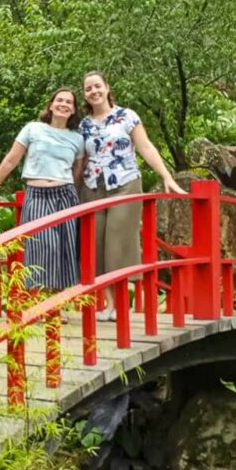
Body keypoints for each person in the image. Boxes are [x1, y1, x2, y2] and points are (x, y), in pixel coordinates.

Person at [78, 71, 186, 320]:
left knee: (116, 241)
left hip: (124, 183)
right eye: (88, 89)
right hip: (92, 186)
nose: (93, 91)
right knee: (96, 244)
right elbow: (80, 160)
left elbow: (146, 147)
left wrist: (167, 177)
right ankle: (107, 303)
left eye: (97, 86)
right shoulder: (83, 125)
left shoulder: (126, 116)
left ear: (107, 87)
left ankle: (120, 305)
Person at [0, 88, 85, 292]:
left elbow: (77, 172)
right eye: (59, 100)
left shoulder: (77, 139)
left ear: (73, 110)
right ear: (51, 105)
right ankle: (39, 300)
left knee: (65, 249)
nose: (63, 104)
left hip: (65, 195)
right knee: (41, 245)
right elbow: (11, 160)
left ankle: (58, 304)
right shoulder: (33, 129)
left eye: (69, 102)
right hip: (37, 195)